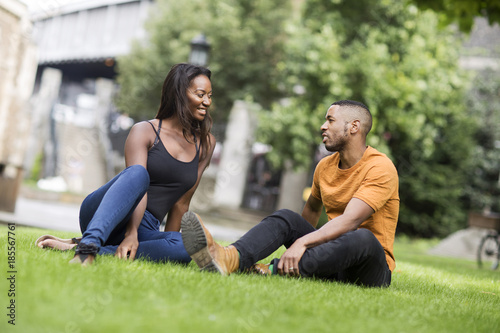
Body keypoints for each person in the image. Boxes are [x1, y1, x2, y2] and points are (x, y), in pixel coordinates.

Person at [181, 100, 399, 287]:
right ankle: (229, 258)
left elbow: (351, 220)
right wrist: (303, 241)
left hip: (369, 270)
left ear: (353, 127)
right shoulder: (325, 167)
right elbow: (311, 210)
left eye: (330, 120)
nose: (323, 127)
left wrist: (302, 245)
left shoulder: (380, 167)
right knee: (287, 217)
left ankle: (272, 270)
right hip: (331, 261)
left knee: (362, 237)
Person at [36, 63, 216, 266]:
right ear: (179, 94)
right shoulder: (145, 131)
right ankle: (88, 247)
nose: (207, 102)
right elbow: (135, 183)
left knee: (186, 248)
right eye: (201, 94)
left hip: (147, 228)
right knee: (139, 174)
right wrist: (131, 234)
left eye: (210, 95)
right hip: (108, 212)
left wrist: (169, 243)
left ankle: (83, 247)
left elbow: (181, 203)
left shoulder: (206, 143)